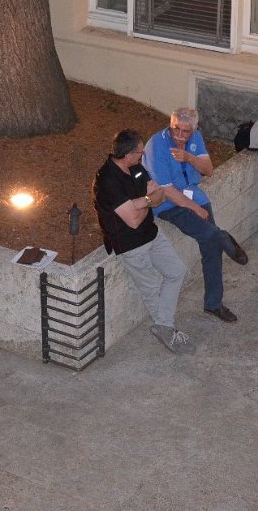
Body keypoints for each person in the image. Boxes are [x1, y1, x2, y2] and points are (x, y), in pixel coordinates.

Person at [92, 129, 196, 354]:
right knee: (151, 289)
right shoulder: (107, 182)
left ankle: (163, 325)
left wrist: (140, 202)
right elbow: (133, 221)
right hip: (130, 245)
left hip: (151, 233)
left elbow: (160, 194)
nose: (143, 155)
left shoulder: (136, 168)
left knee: (177, 271)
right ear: (128, 155)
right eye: (140, 152)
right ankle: (167, 330)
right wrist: (149, 201)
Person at [143, 107, 248, 323]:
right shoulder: (156, 145)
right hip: (169, 204)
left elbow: (208, 170)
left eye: (186, 131)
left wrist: (189, 157)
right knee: (212, 235)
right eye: (176, 129)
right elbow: (167, 191)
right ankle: (225, 238)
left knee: (212, 248)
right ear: (170, 124)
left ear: (194, 129)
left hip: (194, 195)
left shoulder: (196, 138)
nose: (180, 135)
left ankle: (213, 304)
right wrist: (194, 208)